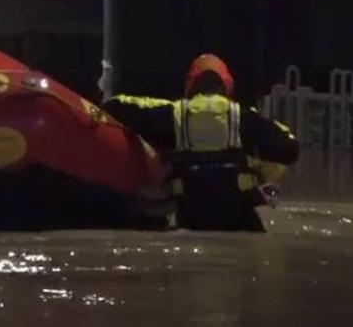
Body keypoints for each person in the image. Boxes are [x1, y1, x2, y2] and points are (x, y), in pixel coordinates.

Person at [102, 54, 299, 232]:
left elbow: (115, 106)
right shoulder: (244, 118)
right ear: (227, 86)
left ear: (190, 85)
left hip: (191, 217)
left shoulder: (173, 114)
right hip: (240, 218)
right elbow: (290, 150)